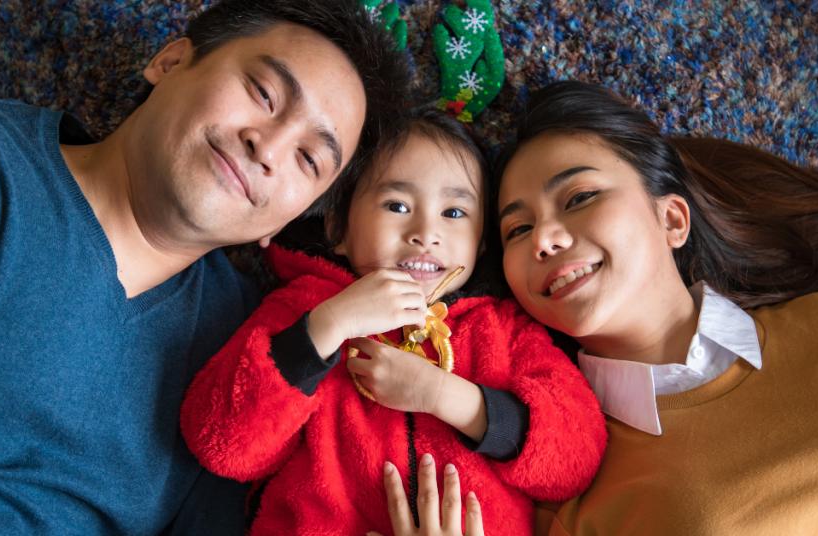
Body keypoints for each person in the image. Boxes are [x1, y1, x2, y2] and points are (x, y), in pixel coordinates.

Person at [0, 0, 409, 533]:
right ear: (169, 63)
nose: (268, 148)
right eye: (264, 94)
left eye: (309, 160)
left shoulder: (246, 355)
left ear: (284, 223)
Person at [381, 80, 818, 535]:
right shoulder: (558, 493)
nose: (544, 239)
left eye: (579, 198)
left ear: (671, 219)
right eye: (517, 230)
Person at [179, 107, 608, 535]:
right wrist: (327, 326)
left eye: (454, 213)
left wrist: (446, 397)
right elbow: (221, 444)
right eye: (397, 205)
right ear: (338, 230)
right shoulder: (304, 308)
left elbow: (575, 459)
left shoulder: (503, 328)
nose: (426, 232)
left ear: (481, 245)